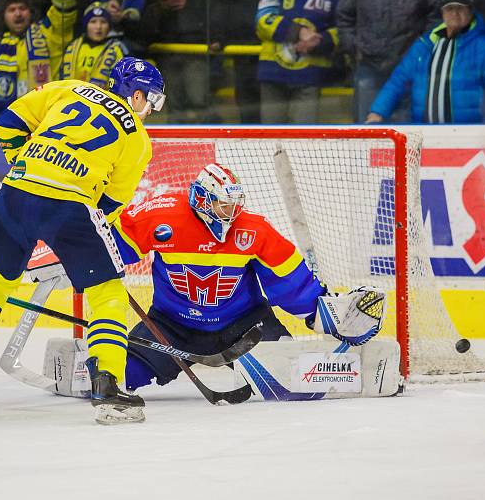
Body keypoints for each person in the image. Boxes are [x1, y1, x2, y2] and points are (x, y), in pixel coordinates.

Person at [0, 57, 165, 425]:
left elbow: (8, 122)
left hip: (14, 191)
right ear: (137, 94)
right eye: (151, 101)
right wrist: (77, 234)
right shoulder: (137, 139)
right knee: (107, 291)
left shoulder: (68, 87)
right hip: (70, 205)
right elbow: (110, 204)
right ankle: (106, 385)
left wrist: (29, 167)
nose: (150, 110)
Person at [111, 163, 372, 393]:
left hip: (245, 328)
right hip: (170, 326)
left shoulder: (253, 230)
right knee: (119, 376)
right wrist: (84, 263)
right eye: (224, 205)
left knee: (290, 375)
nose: (231, 212)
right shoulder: (160, 217)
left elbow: (288, 279)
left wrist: (322, 313)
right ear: (203, 199)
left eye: (235, 205)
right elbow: (111, 247)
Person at [367, 0, 485, 124]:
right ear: (442, 13)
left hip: (469, 139)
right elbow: (398, 81)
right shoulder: (424, 46)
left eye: (460, 8)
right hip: (425, 135)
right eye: (449, 8)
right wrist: (377, 112)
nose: (454, 14)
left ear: (470, 11)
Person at [336, 0, 441, 123]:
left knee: (409, 137)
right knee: (366, 135)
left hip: (408, 69)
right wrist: (354, 47)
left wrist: (421, 52)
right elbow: (344, 15)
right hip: (369, 65)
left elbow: (437, 17)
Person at [256, 0, 342, 124]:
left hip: (309, 77)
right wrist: (298, 31)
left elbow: (345, 28)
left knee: (303, 143)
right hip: (273, 74)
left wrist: (320, 40)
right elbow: (263, 19)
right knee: (270, 141)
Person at [59, 4, 127, 88]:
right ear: (86, 25)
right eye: (93, 22)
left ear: (109, 27)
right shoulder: (72, 48)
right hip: (71, 97)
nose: (98, 27)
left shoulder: (119, 50)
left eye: (103, 22)